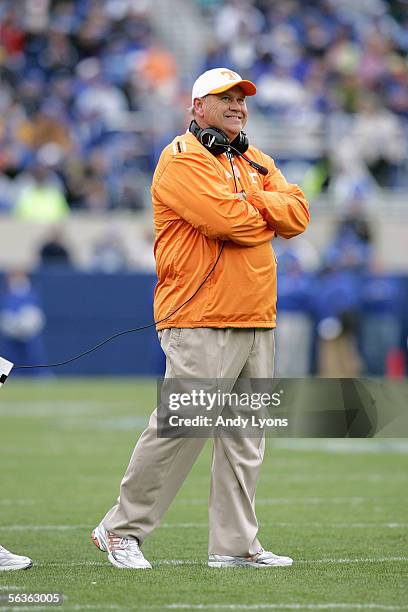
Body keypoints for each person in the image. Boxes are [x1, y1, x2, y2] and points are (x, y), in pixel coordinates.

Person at [91, 68, 309, 569]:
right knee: (182, 426)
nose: (237, 105)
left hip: (256, 314)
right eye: (224, 98)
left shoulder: (256, 159)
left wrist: (255, 202)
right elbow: (227, 222)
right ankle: (119, 529)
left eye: (241, 98)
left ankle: (233, 546)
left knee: (245, 439)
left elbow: (298, 215)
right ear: (198, 108)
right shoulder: (180, 159)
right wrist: (264, 207)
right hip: (199, 314)